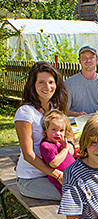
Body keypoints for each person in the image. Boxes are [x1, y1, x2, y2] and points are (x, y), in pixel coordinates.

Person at [14, 61, 69, 201]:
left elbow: (69, 134)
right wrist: (57, 174)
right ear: (33, 85)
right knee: (77, 195)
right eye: (41, 82)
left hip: (54, 172)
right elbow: (28, 155)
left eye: (51, 82)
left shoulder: (54, 108)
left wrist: (68, 148)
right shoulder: (25, 113)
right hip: (32, 179)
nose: (47, 87)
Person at [40, 110, 76, 195]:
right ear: (46, 130)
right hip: (64, 181)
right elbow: (53, 163)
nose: (57, 133)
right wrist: (65, 149)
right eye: (53, 130)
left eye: (61, 130)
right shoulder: (46, 146)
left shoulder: (58, 143)